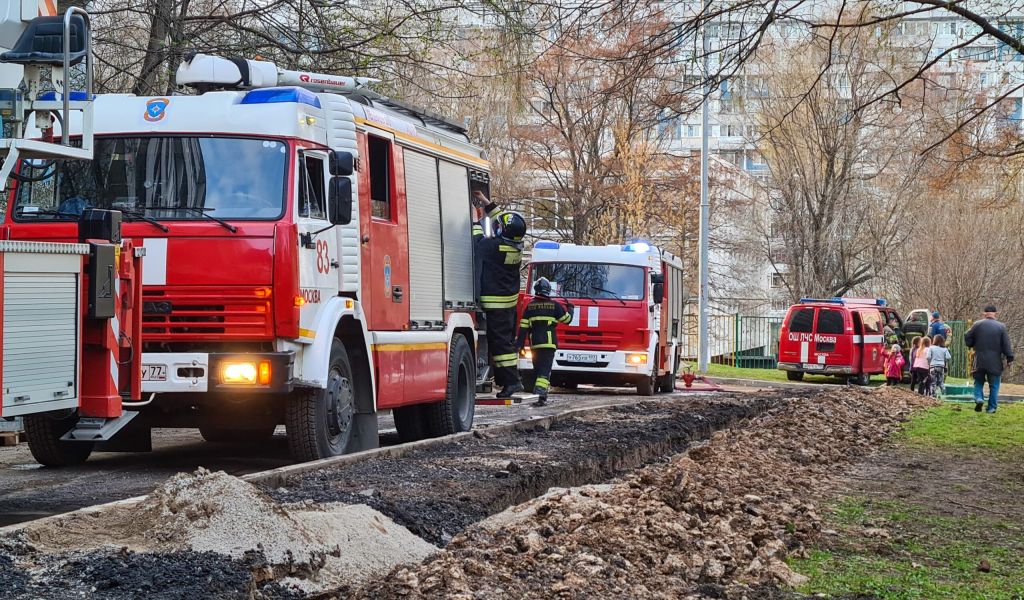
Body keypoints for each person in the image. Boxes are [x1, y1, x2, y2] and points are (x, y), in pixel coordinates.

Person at [472, 190, 528, 397]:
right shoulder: (514, 244)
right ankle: (509, 381)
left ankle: (512, 382)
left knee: (501, 345)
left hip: (497, 306)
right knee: (504, 342)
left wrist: (475, 221)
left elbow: (477, 243)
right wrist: (486, 203)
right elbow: (504, 222)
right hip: (506, 304)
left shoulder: (494, 247)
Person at [517, 277, 573, 407]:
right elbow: (567, 320)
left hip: (535, 343)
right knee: (544, 370)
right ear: (548, 290)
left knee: (538, 369)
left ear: (536, 290)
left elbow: (523, 327)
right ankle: (540, 396)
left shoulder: (530, 306)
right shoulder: (555, 305)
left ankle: (538, 395)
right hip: (549, 343)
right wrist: (570, 308)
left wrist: (520, 345)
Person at [964, 305, 1014, 413]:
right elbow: (1006, 344)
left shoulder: (977, 324)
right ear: (996, 313)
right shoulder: (1001, 327)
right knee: (994, 385)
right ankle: (991, 408)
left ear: (984, 313)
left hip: (979, 360)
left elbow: (967, 335)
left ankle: (979, 399)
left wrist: (972, 344)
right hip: (995, 361)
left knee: (978, 382)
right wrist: (1010, 358)